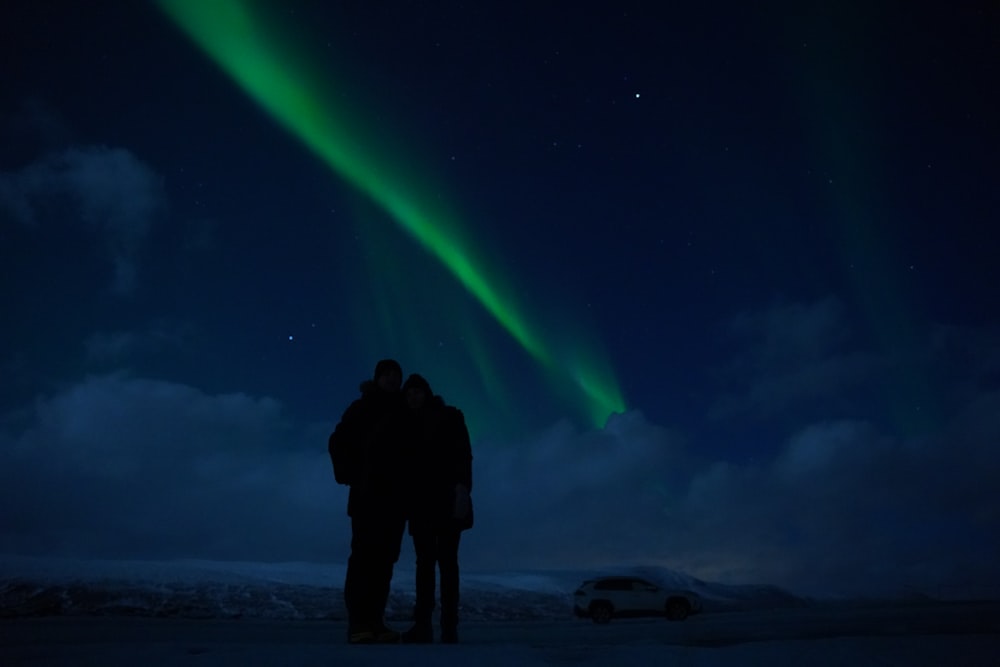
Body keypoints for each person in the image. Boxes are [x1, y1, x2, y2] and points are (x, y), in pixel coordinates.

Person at [328, 359, 413, 644]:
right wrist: (353, 475)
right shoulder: (361, 408)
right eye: (386, 374)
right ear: (377, 378)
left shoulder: (406, 412)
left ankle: (376, 621)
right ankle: (358, 623)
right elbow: (338, 441)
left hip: (396, 500)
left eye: (396, 375)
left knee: (385, 561)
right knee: (364, 558)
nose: (392, 379)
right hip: (367, 497)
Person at [400, 373, 473, 644]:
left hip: (446, 501)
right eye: (408, 393)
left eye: (417, 391)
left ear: (427, 393)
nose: (413, 397)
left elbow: (464, 454)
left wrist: (462, 489)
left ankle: (448, 627)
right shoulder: (406, 424)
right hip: (421, 505)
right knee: (426, 565)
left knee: (446, 564)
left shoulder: (449, 417)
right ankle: (424, 626)